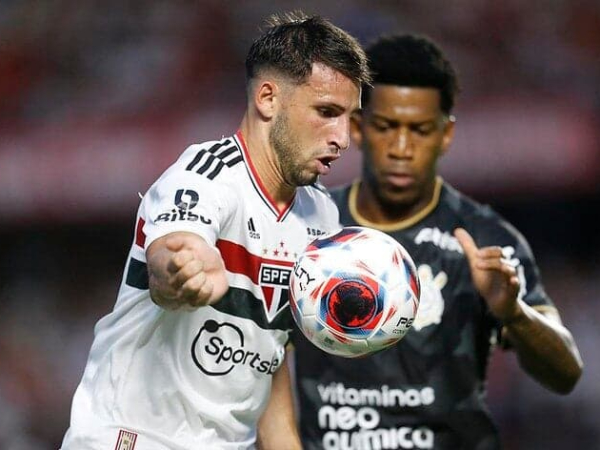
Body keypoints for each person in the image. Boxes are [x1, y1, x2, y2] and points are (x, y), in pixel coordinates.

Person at [61, 12, 370, 450]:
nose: (343, 137)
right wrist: (184, 271)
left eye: (349, 118)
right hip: (134, 439)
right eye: (326, 112)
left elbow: (270, 356)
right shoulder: (205, 176)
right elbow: (169, 258)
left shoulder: (321, 217)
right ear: (268, 98)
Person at [292, 34, 583, 450]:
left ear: (445, 135)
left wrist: (514, 313)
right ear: (357, 127)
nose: (402, 148)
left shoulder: (485, 239)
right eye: (386, 127)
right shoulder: (308, 229)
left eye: (420, 130)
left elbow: (566, 374)